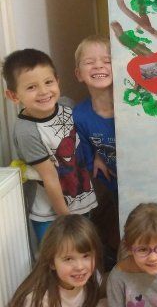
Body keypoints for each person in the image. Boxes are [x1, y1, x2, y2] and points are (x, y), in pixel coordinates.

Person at [2, 48, 97, 242]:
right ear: (13, 96)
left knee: (83, 249)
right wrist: (66, 219)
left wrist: (98, 158)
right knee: (56, 254)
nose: (44, 91)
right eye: (31, 87)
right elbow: (50, 177)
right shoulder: (27, 131)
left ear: (57, 81)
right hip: (51, 213)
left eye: (48, 82)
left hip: (80, 199)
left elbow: (85, 139)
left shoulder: (67, 105)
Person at [73, 36, 119, 269]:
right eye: (90, 62)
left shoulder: (131, 107)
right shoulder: (79, 115)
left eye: (107, 61)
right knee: (118, 221)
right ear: (79, 74)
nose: (99, 66)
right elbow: (85, 154)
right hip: (111, 183)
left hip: (142, 179)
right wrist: (97, 156)